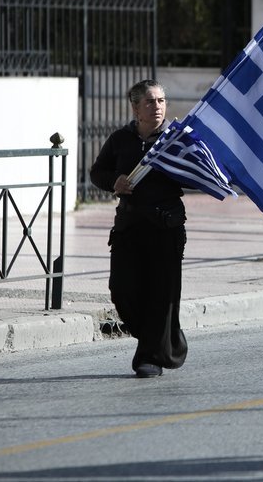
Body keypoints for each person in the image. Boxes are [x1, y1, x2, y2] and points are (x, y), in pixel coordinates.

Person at [90, 80, 188, 379]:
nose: (157, 106)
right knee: (122, 290)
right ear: (135, 108)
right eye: (150, 102)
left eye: (161, 100)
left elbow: (198, 173)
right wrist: (114, 181)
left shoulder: (177, 139)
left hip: (164, 225)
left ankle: (149, 356)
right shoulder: (121, 138)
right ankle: (166, 339)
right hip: (129, 227)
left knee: (161, 294)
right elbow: (97, 172)